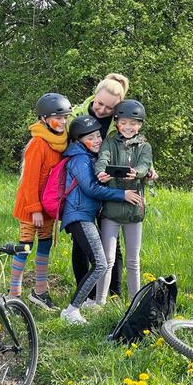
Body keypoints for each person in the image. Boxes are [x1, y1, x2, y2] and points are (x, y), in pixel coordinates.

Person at [59, 115, 143, 325]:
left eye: (98, 135)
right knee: (100, 264)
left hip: (84, 215)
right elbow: (91, 189)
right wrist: (122, 195)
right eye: (90, 137)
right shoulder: (79, 159)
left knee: (100, 262)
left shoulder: (89, 157)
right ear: (78, 140)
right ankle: (71, 310)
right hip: (79, 215)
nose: (97, 140)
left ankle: (86, 302)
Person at [9, 93, 72, 311]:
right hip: (31, 207)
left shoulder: (62, 142)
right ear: (44, 118)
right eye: (58, 118)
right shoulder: (38, 143)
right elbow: (29, 181)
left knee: (45, 245)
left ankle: (40, 291)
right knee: (25, 246)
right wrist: (34, 209)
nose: (62, 122)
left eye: (65, 118)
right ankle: (14, 294)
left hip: (48, 207)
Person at [69, 74, 130, 297]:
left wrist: (147, 168)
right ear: (94, 95)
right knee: (81, 242)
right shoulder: (76, 115)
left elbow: (133, 146)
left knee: (110, 238)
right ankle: (85, 292)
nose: (102, 110)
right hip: (81, 184)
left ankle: (113, 293)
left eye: (109, 108)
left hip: (109, 183)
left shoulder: (120, 122)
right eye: (99, 103)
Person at [94, 100, 153, 304]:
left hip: (134, 211)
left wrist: (138, 172)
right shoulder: (109, 142)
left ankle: (135, 303)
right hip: (111, 212)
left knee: (133, 261)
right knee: (108, 260)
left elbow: (145, 165)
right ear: (117, 122)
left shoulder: (144, 146)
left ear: (140, 125)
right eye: (124, 122)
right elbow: (103, 159)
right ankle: (100, 302)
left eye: (133, 123)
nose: (128, 127)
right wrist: (101, 172)